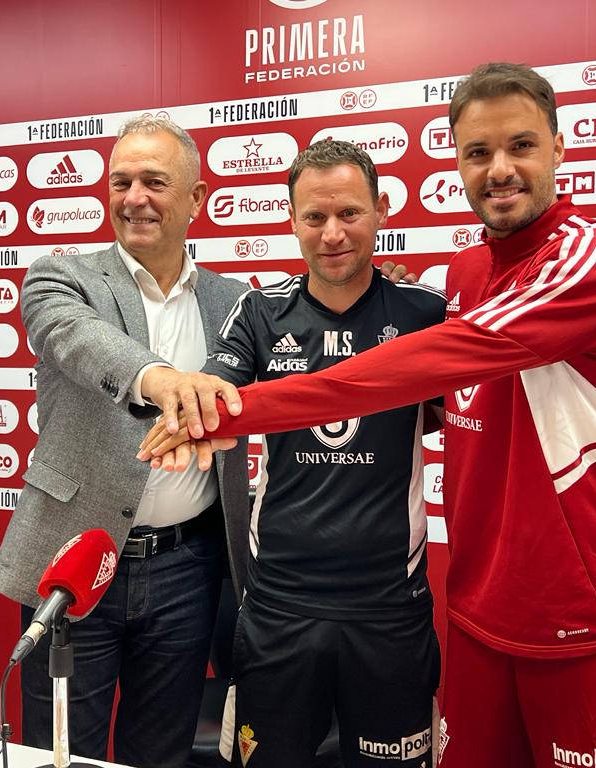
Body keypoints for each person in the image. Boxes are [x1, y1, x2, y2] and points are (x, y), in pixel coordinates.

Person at [141, 63, 596, 768]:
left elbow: (414, 375)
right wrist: (200, 405)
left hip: (569, 617)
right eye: (478, 153)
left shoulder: (578, 266)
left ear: (560, 149)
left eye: (521, 146)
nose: (499, 169)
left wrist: (240, 412)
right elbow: (454, 409)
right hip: (465, 611)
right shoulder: (464, 277)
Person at [0, 116, 252, 767]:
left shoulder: (236, 301)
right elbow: (78, 340)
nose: (135, 197)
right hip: (72, 563)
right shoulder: (62, 277)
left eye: (155, 182)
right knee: (59, 755)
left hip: (188, 570)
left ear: (195, 199)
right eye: (122, 181)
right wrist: (158, 379)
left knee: (160, 754)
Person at [201, 139, 445, 768]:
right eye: (314, 217)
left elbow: (470, 419)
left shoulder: (427, 315)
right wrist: (189, 418)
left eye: (349, 214)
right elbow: (212, 395)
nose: (332, 233)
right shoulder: (258, 313)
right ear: (292, 220)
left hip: (390, 606)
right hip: (280, 602)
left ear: (381, 211)